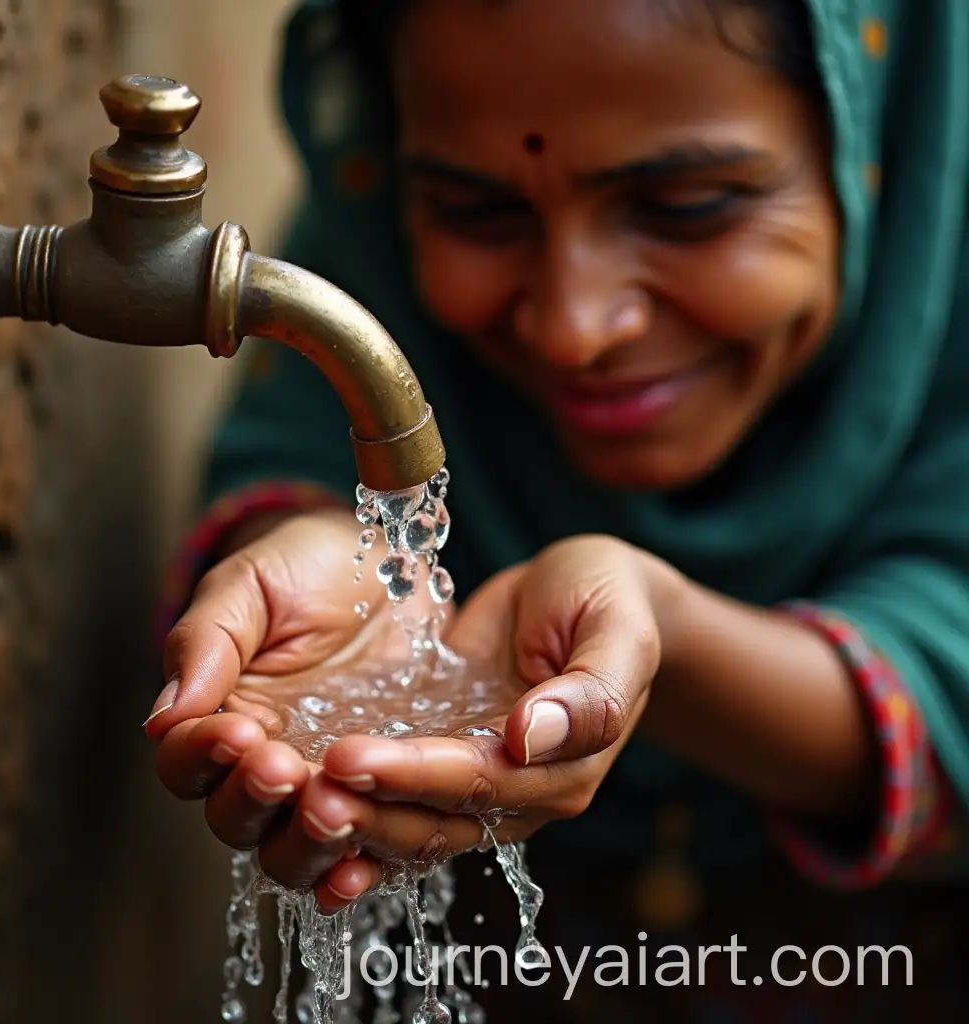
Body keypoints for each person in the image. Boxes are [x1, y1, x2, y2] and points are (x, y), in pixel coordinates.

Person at [147, 0, 969, 1017]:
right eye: (477, 212)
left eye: (691, 205)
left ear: (879, 135)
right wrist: (328, 546)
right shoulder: (372, 267)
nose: (576, 328)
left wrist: (659, 631)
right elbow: (293, 457)